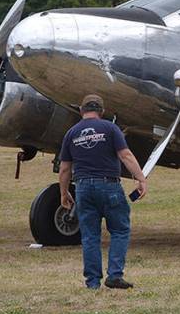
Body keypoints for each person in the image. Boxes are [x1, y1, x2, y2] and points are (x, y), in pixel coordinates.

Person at [59, 94, 147, 289]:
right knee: (119, 229)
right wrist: (140, 178)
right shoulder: (110, 128)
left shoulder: (71, 133)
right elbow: (125, 155)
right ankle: (115, 275)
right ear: (102, 111)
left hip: (82, 188)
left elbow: (65, 168)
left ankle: (92, 282)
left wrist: (64, 193)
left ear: (81, 110)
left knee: (90, 235)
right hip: (109, 186)